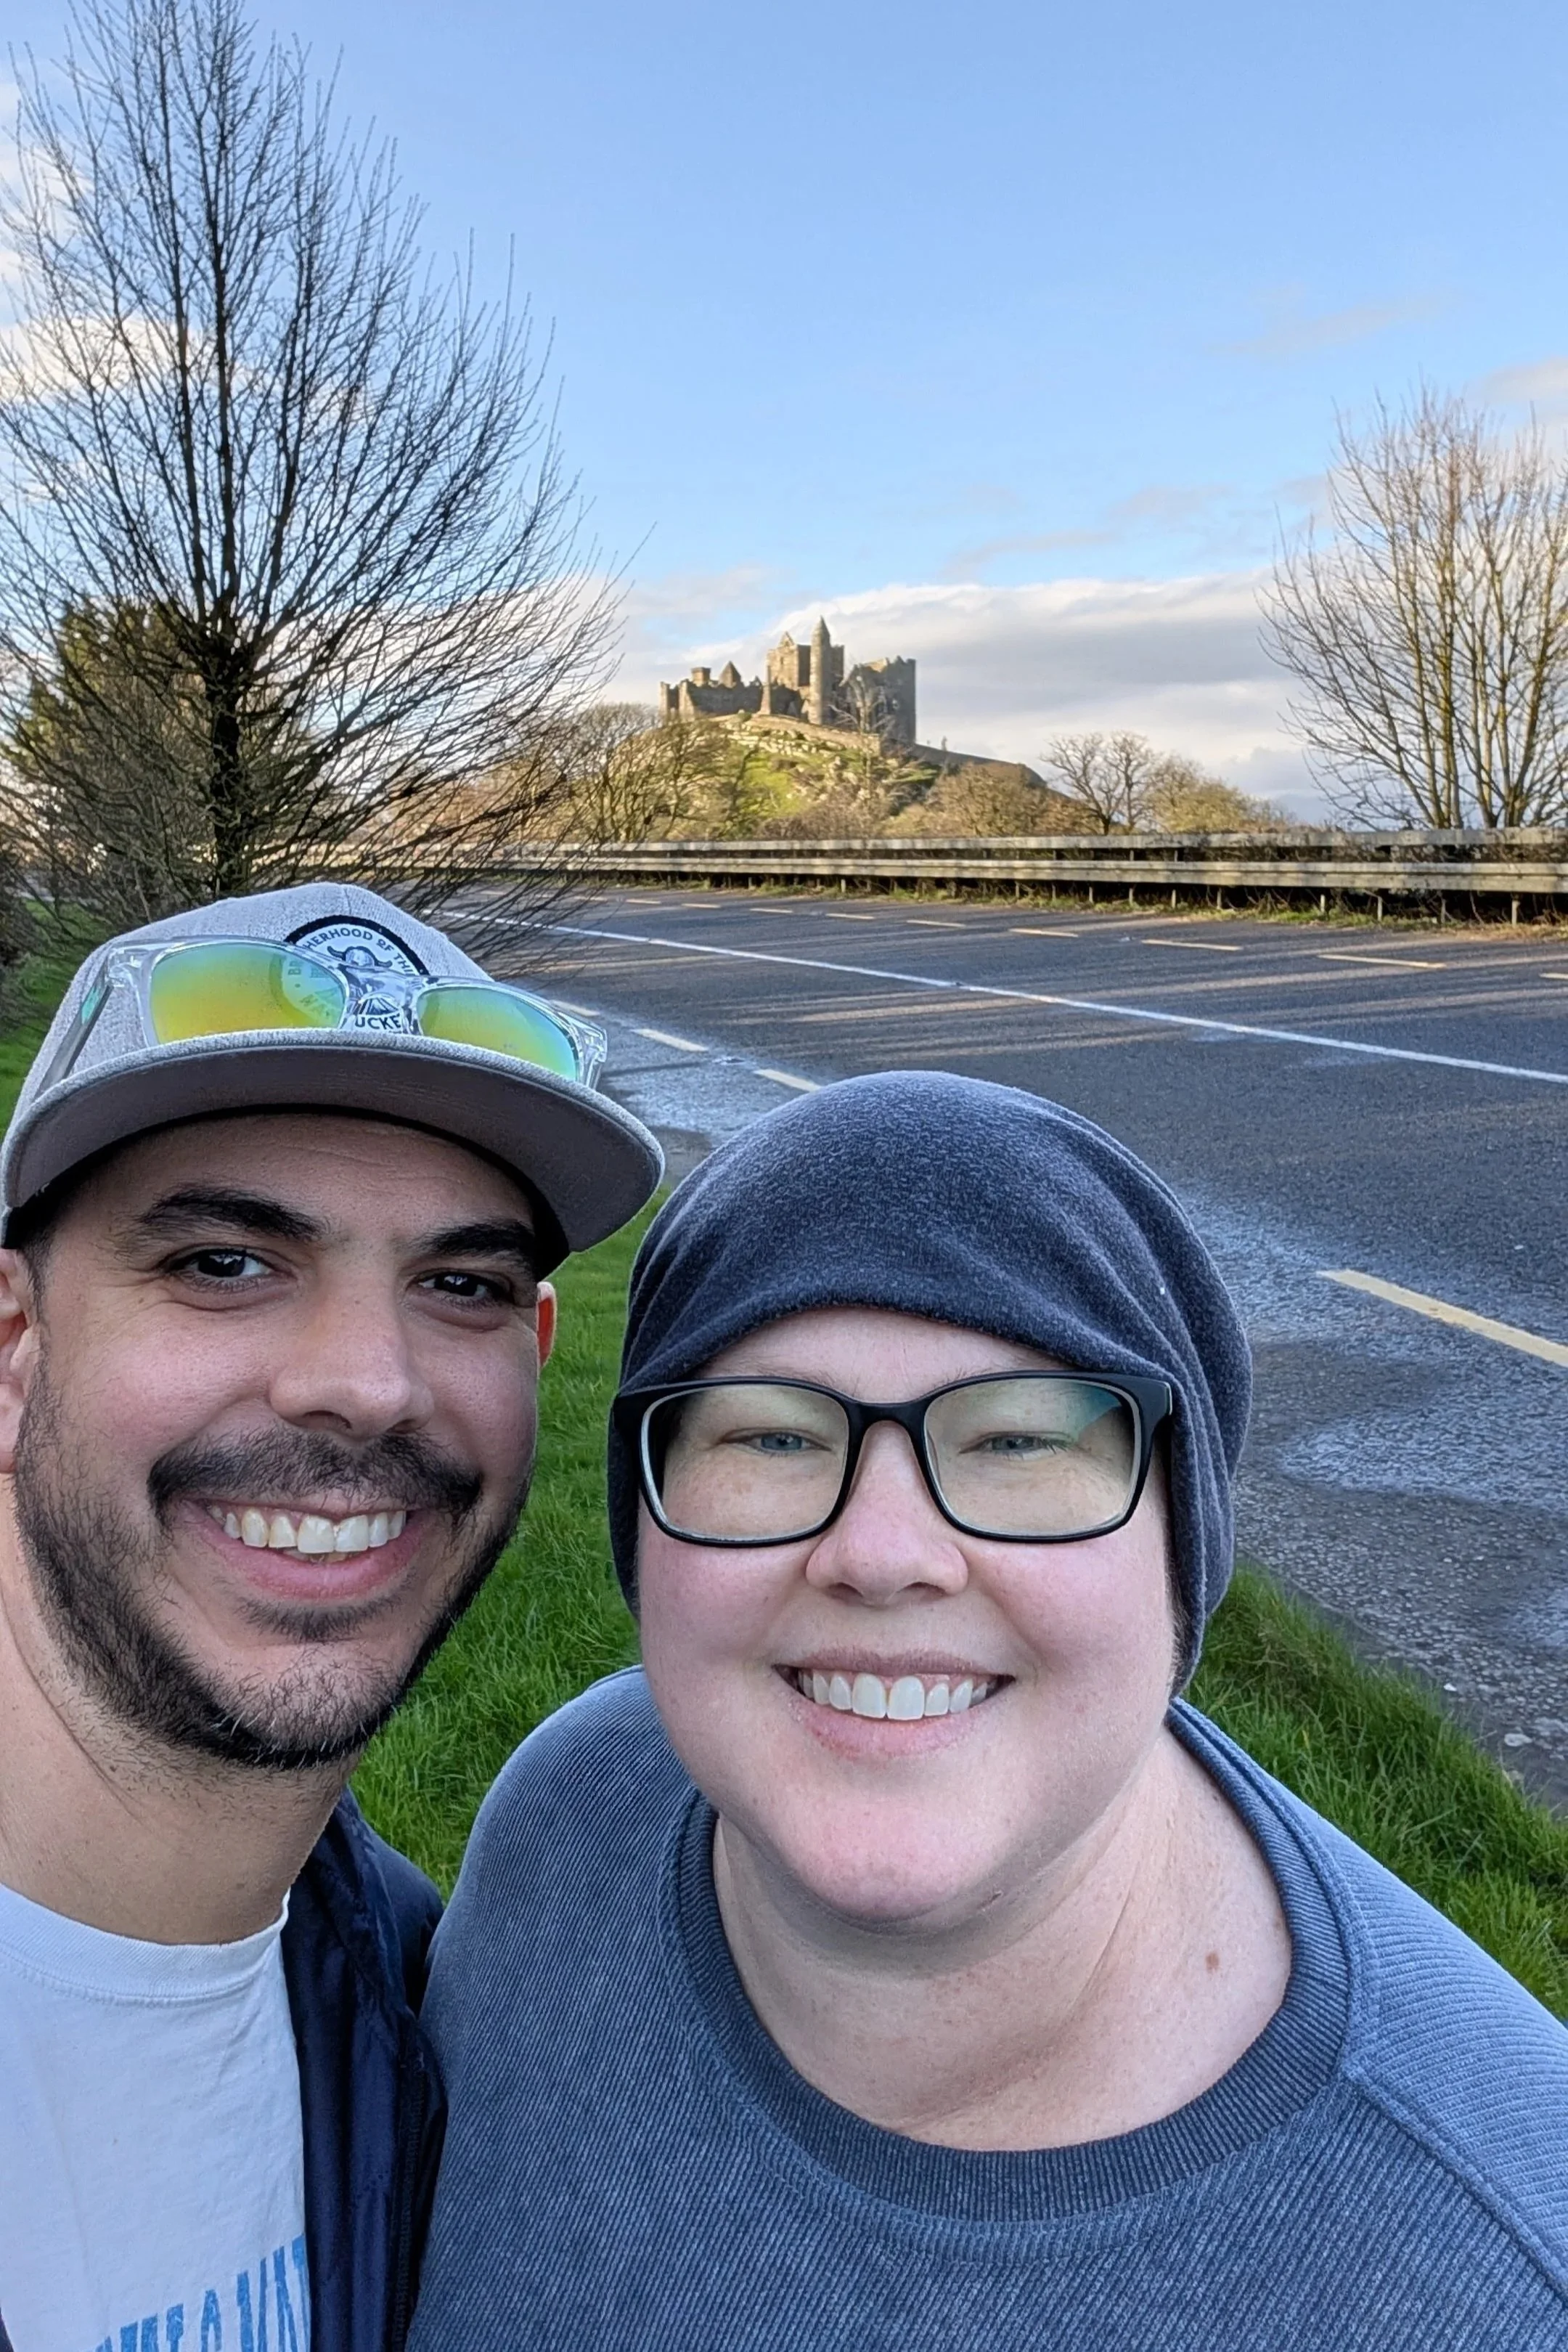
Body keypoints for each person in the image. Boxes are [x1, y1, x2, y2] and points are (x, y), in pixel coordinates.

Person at [412, 1069, 1568, 2350]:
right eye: (772, 1438)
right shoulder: (565, 1825)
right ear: (649, 1524)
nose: (884, 1551)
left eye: (1018, 1440)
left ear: (1181, 1548)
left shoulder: (1498, 2266)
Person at [0, 884, 660, 2352]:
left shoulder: (416, 1995)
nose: (369, 1380)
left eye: (461, 1282)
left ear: (536, 1352)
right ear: (14, 1347)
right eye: (225, 1261)